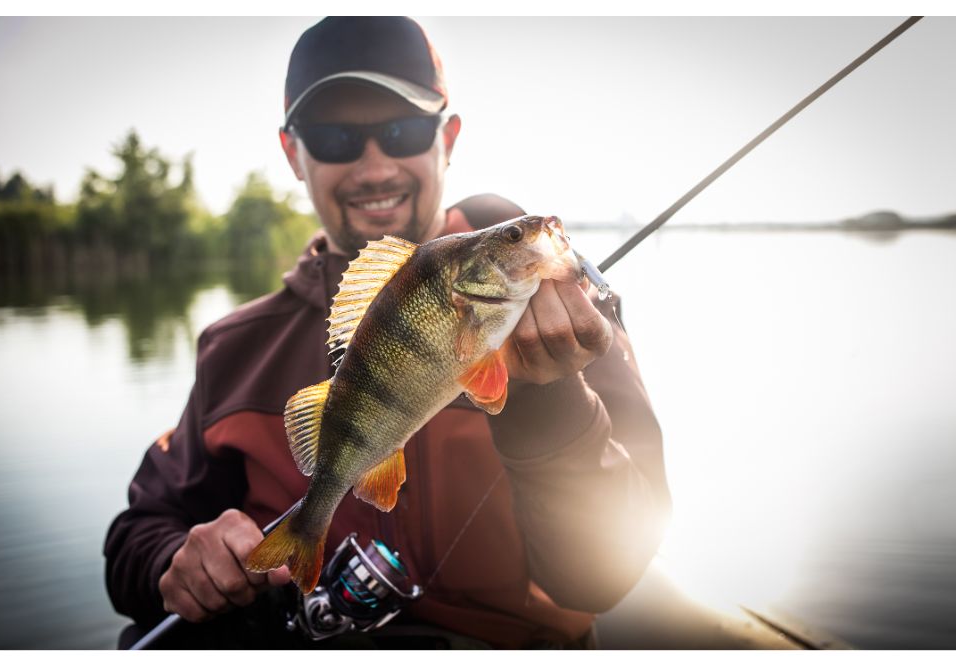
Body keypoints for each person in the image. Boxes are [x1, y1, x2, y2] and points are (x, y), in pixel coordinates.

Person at [105, 16, 671, 649]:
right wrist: (173, 561)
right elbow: (137, 535)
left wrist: (549, 400)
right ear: (294, 153)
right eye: (335, 138)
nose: (373, 168)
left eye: (401, 130)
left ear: (447, 138)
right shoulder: (235, 349)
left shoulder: (568, 312)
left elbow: (605, 577)